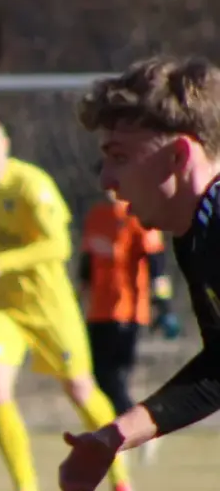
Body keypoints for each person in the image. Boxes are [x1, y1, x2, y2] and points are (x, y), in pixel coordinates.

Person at [0, 108, 140, 491]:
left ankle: (121, 481)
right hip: (4, 307)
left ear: (6, 146)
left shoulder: (32, 186)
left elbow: (58, 247)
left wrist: (1, 263)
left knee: (80, 389)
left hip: (51, 306)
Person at [62, 55, 220, 491]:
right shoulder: (196, 236)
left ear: (178, 157)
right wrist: (113, 437)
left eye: (120, 158)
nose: (107, 180)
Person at [78, 188, 179, 463]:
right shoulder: (96, 216)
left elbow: (156, 265)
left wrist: (164, 307)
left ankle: (137, 431)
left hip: (128, 311)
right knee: (100, 378)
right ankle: (121, 435)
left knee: (114, 378)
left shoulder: (139, 216)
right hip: (97, 311)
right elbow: (87, 264)